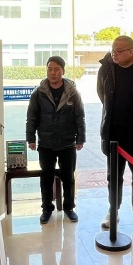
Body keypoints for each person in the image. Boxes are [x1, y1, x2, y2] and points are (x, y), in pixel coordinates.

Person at [96, 35, 133, 232]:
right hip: (113, 133)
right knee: (113, 177)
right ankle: (113, 210)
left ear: (131, 51)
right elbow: (102, 94)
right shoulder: (106, 67)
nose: (114, 54)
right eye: (113, 50)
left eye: (119, 51)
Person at [26, 56, 86, 225]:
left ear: (63, 71)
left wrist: (81, 138)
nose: (52, 73)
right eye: (50, 69)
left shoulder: (72, 93)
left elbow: (79, 117)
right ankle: (46, 209)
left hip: (67, 142)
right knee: (46, 177)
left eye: (56, 69)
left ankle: (69, 208)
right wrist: (31, 138)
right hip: (46, 142)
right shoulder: (38, 93)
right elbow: (31, 117)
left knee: (68, 177)